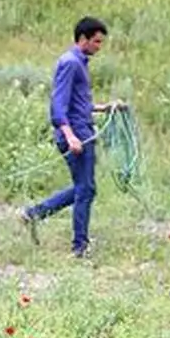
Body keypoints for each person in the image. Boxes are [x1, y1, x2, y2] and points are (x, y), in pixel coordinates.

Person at [21, 16, 125, 257]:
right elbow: (58, 106)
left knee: (84, 188)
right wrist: (70, 137)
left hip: (83, 132)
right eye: (96, 41)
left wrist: (104, 108)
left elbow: (77, 104)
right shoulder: (70, 63)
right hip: (76, 136)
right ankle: (79, 246)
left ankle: (35, 214)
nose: (99, 47)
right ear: (83, 39)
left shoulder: (80, 63)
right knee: (86, 190)